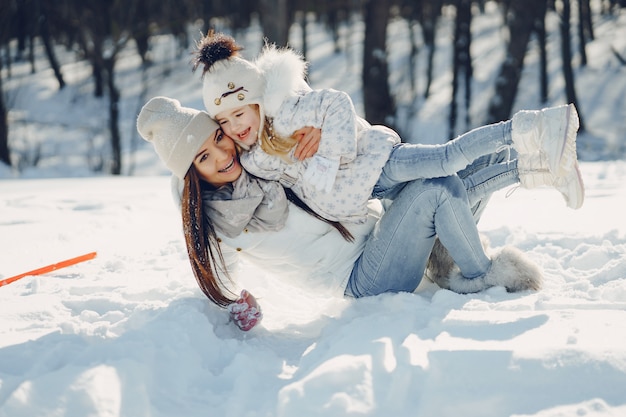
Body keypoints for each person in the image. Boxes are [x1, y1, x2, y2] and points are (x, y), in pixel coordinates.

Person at [136, 96, 569, 332]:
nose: (221, 156)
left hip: (378, 234)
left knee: (450, 173)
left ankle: (537, 163)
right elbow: (219, 273)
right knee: (434, 189)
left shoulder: (256, 161)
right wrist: (234, 304)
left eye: (217, 140)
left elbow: (303, 125)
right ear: (190, 173)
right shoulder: (219, 222)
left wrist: (318, 131)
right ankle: (479, 276)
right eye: (203, 158)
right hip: (361, 280)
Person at [190, 31, 584, 228]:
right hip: (369, 187)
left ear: (258, 102)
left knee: (448, 159)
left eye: (240, 113)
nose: (235, 126)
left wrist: (334, 154)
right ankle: (542, 169)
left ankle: (531, 127)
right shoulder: (256, 151)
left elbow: (336, 105)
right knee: (453, 186)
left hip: (377, 163)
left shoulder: (288, 113)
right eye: (224, 121)